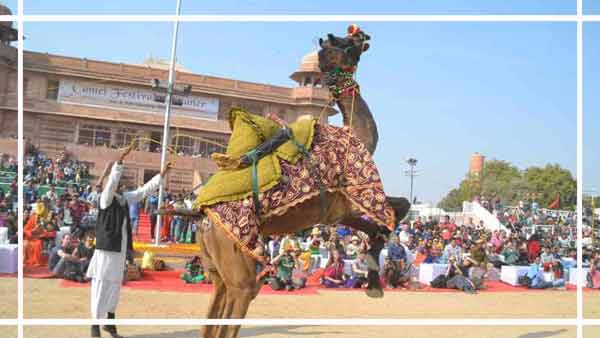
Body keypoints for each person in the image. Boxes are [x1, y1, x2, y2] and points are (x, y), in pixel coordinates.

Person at [86, 146, 171, 338]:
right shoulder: (105, 199)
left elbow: (143, 191)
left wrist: (162, 174)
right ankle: (95, 325)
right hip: (106, 251)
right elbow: (110, 184)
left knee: (114, 287)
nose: (122, 183)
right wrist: (120, 161)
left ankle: (109, 323)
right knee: (100, 286)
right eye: (119, 181)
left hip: (120, 251)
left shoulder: (123, 199)